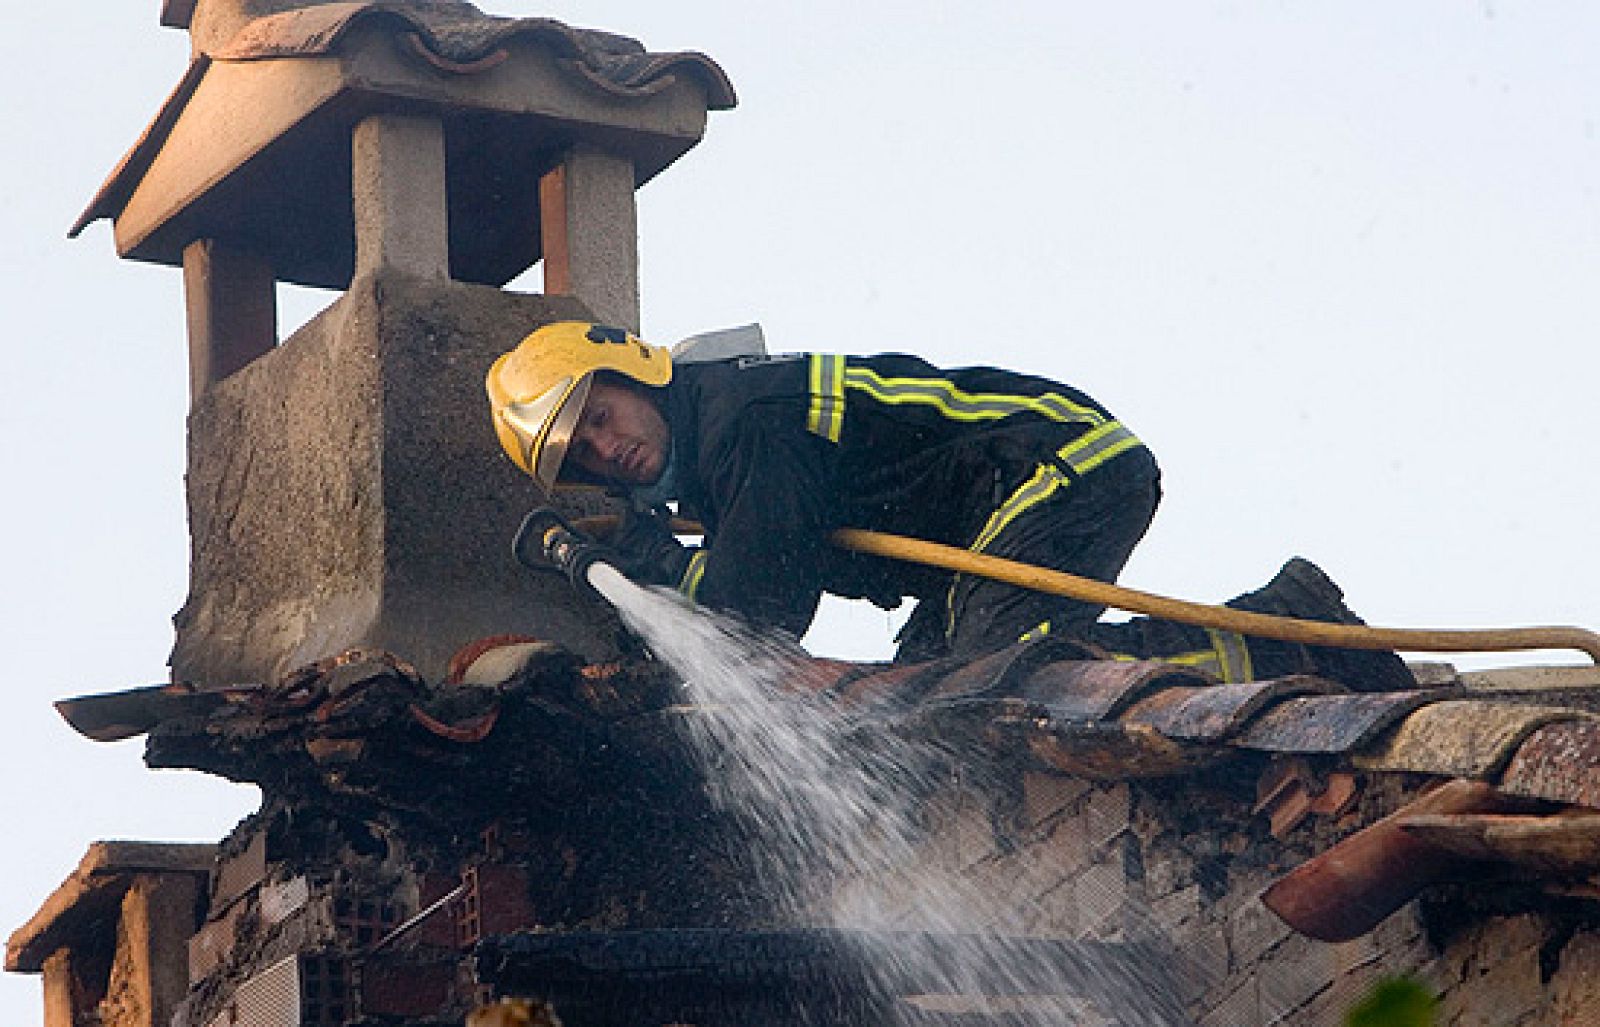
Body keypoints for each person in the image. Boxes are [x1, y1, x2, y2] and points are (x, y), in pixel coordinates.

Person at [486, 321, 1413, 690]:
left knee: (1000, 677)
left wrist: (651, 563)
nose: (610, 448)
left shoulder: (745, 424)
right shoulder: (717, 462)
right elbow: (746, 577)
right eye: (585, 454)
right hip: (984, 516)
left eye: (600, 416)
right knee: (924, 700)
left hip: (1056, 463)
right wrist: (660, 557)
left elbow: (754, 613)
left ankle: (1284, 637)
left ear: (632, 367)